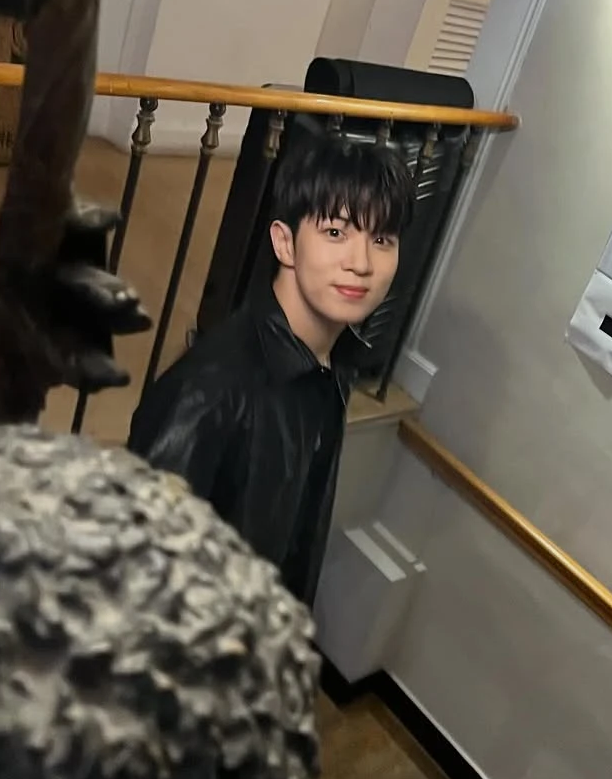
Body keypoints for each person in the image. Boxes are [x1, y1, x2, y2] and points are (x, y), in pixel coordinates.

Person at [129, 131, 414, 607]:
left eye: (381, 238)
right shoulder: (208, 391)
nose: (361, 263)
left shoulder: (335, 362)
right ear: (284, 243)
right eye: (336, 233)